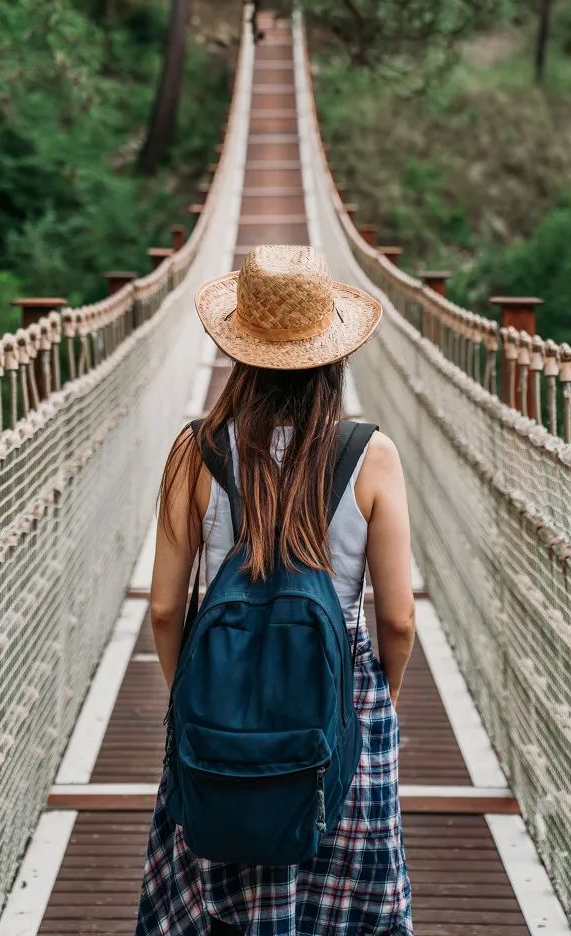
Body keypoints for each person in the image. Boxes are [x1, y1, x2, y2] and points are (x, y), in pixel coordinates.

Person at [134, 244, 416, 935]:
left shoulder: (194, 449)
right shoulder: (370, 454)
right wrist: (377, 699)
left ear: (238, 349)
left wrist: (190, 695)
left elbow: (167, 607)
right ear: (334, 351)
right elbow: (400, 619)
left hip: (218, 693)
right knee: (346, 895)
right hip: (340, 689)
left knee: (219, 880)